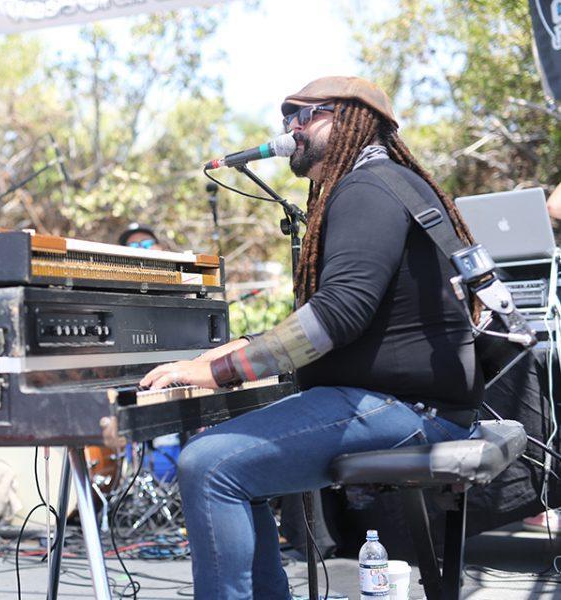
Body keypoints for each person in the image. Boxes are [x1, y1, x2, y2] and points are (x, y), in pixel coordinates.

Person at [140, 76, 482, 599]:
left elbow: (337, 317)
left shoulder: (367, 188)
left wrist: (214, 371)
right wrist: (245, 345)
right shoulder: (382, 184)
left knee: (208, 464)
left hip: (405, 409)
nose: (292, 128)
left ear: (352, 120)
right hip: (402, 404)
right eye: (287, 118)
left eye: (307, 115)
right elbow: (356, 316)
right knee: (232, 464)